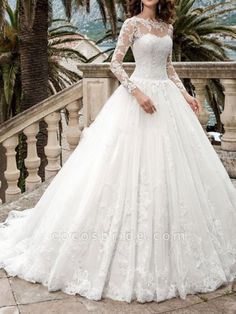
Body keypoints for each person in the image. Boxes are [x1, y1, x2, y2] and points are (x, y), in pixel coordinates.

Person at [0, 0, 236, 304]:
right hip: (139, 99)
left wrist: (185, 94)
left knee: (172, 175)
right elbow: (115, 64)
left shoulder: (167, 26)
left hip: (168, 102)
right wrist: (137, 93)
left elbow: (168, 68)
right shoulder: (131, 24)